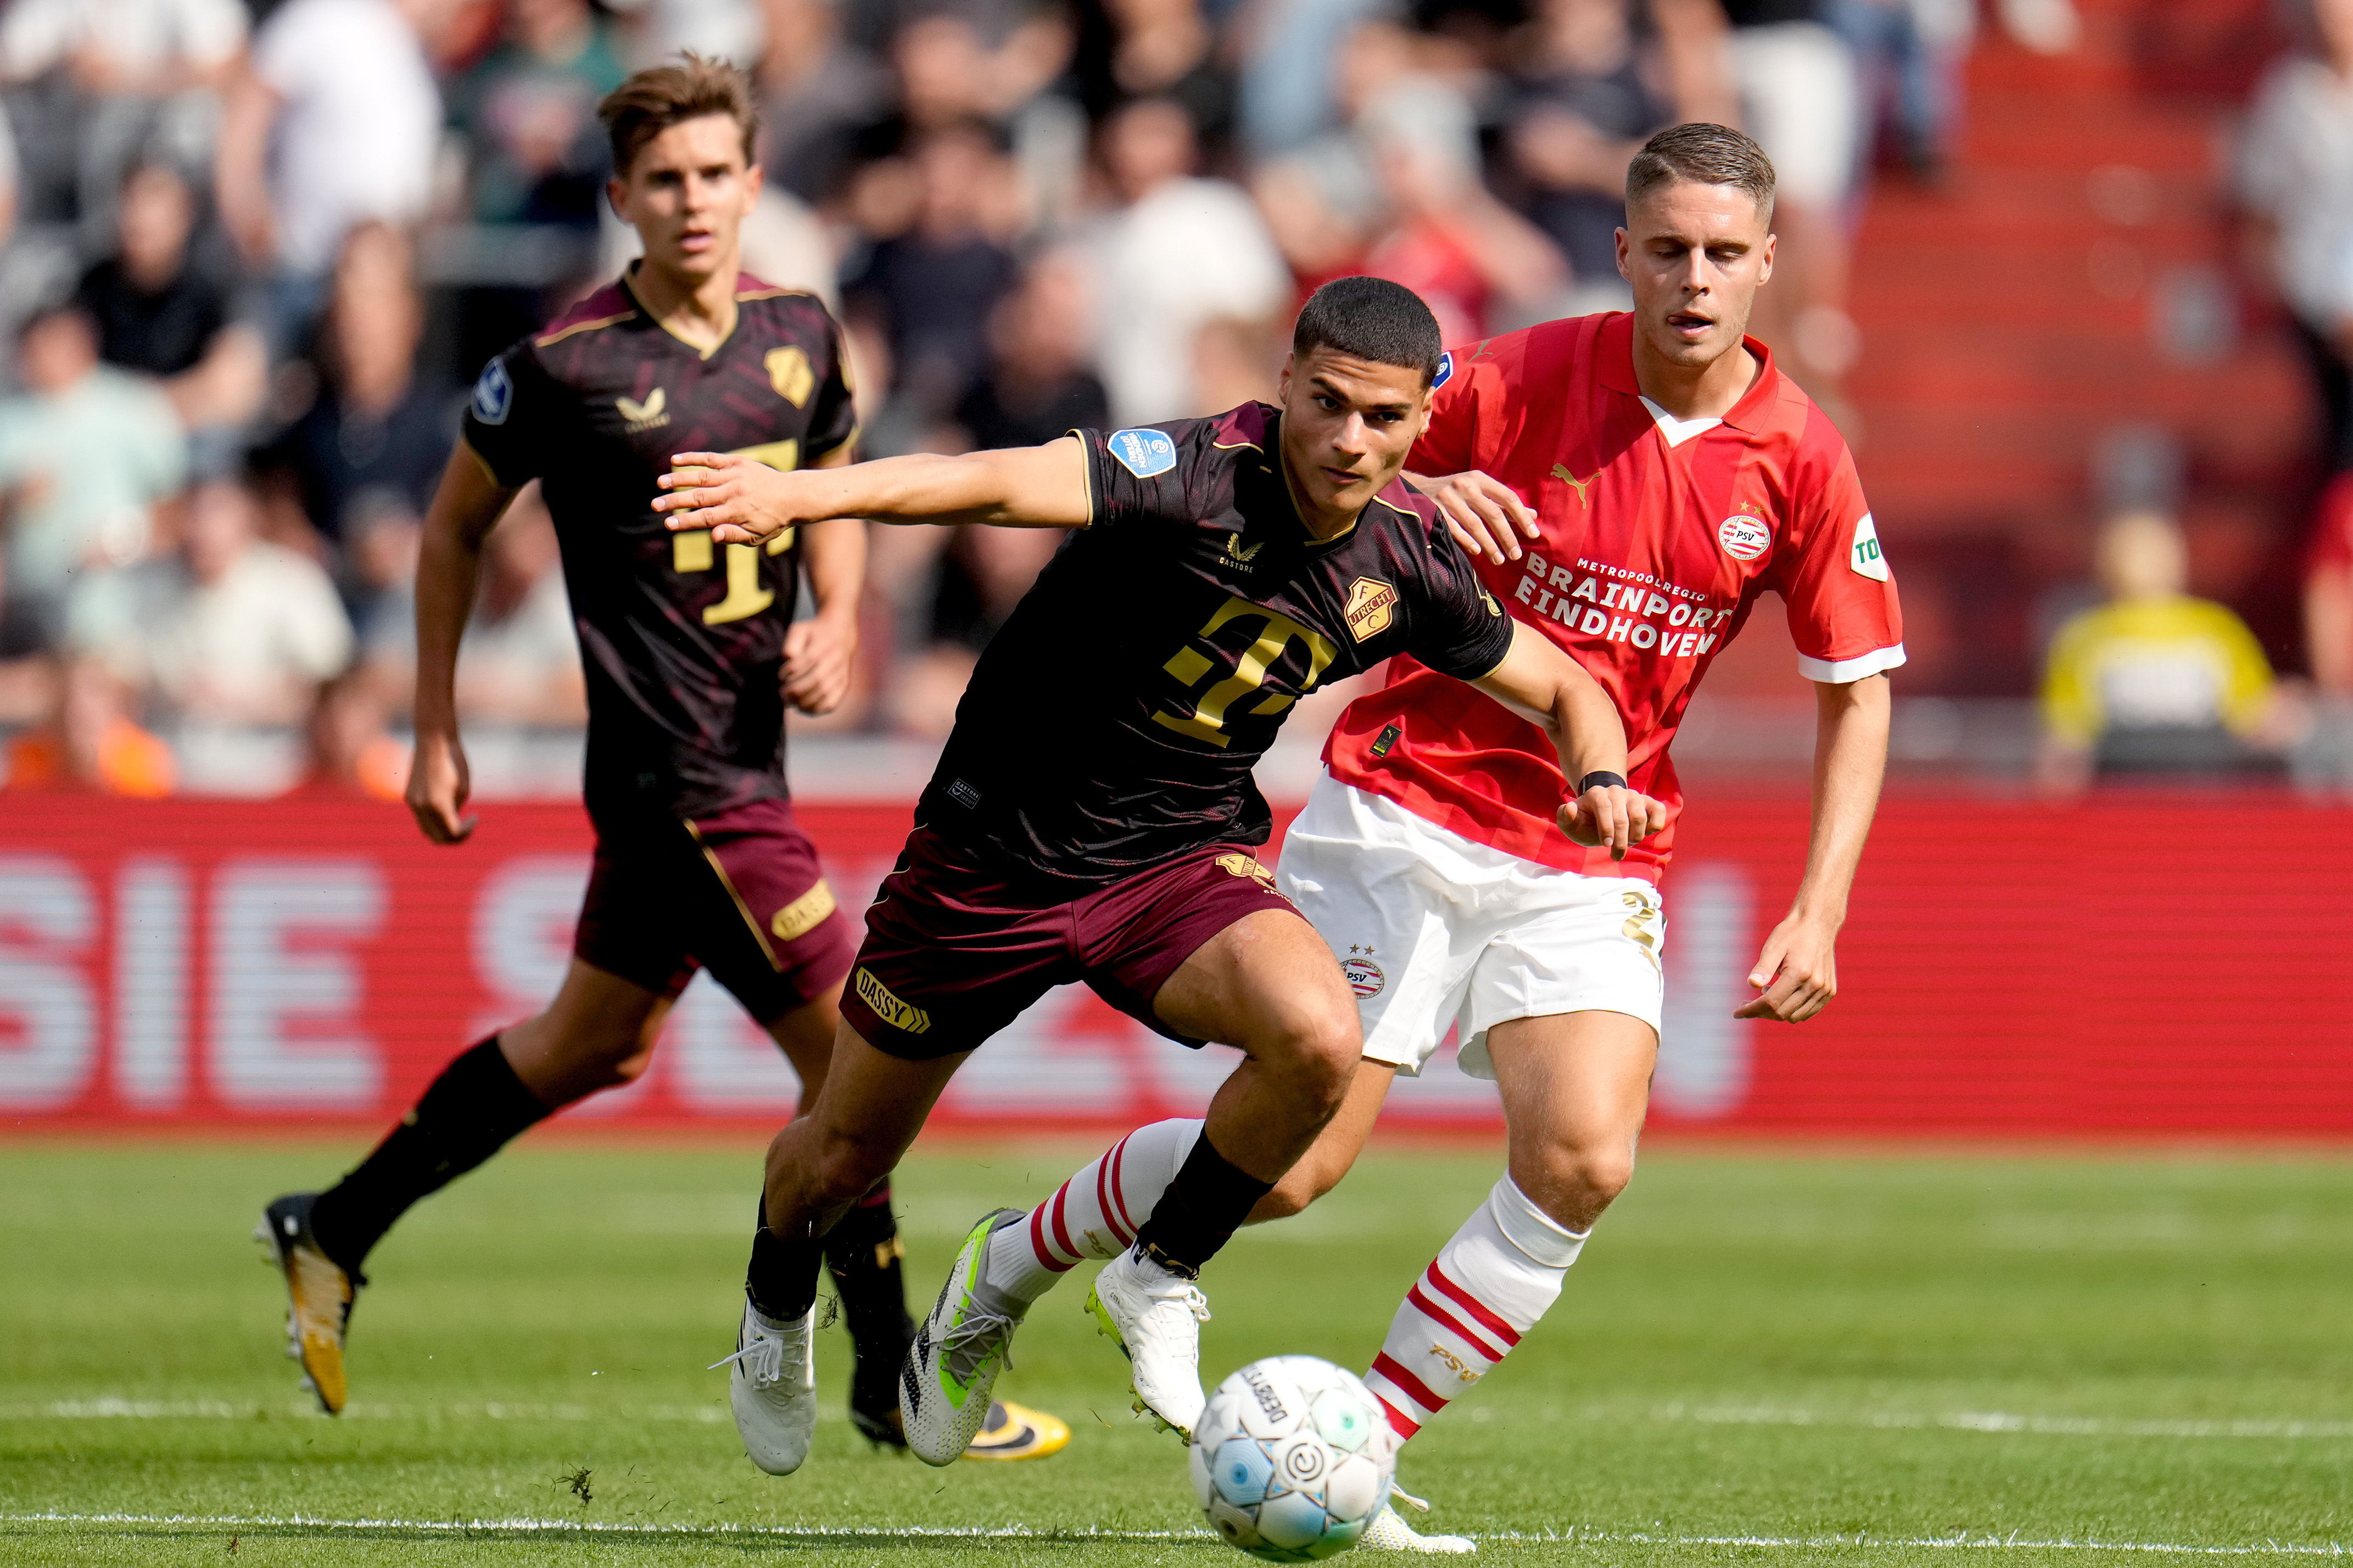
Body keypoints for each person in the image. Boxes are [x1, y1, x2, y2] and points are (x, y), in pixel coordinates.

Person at [964, 122, 1906, 1551]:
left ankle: (1362, 1450)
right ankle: (1026, 1253)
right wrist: (1415, 486)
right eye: (1668, 251)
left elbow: (1860, 690)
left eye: (1723, 255)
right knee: (1289, 1171)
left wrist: (1820, 905)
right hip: (1404, 804)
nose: (1694, 281)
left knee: (1584, 1158)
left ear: (1767, 263)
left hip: (1593, 844)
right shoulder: (1520, 375)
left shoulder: (1799, 461)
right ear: (1623, 254)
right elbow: (1301, 455)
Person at [651, 273, 1667, 1479]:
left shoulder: (1406, 563)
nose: (1350, 441)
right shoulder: (1184, 472)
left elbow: (1564, 685)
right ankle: (773, 1314)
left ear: (1420, 419)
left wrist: (1599, 772)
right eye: (1328, 404)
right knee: (838, 1158)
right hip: (990, 859)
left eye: (1383, 419)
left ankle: (1159, 1273)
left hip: (1173, 864)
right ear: (1283, 383)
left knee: (1317, 1038)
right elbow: (992, 481)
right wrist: (797, 495)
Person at [255, 54, 1066, 1466]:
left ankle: (332, 1226)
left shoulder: (803, 332)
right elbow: (450, 531)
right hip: (680, 777)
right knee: (857, 1063)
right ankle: (891, 1379)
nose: (694, 202)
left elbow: (837, 483)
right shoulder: (564, 368)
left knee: (594, 1042)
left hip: (745, 765)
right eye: (665, 181)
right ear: (623, 197)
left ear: (755, 186)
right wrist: (435, 726)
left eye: (716, 175)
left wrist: (844, 612)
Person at [2038, 510, 2291, 789]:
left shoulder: (2083, 636)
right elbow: (2256, 719)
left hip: (2153, 800)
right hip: (2191, 796)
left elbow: (2065, 744)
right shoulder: (2217, 628)